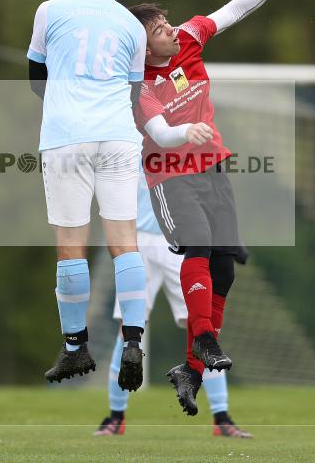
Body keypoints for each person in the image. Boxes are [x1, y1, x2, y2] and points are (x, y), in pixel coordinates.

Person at [129, 0, 315, 415]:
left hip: (212, 167)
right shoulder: (138, 84)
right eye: (159, 30)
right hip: (170, 177)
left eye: (167, 23)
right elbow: (157, 133)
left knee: (225, 269)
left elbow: (233, 9)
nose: (171, 30)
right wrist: (181, 134)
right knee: (198, 247)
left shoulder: (189, 39)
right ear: (144, 48)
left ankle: (191, 369)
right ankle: (206, 340)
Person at [27, 0, 147, 390]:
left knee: (71, 245)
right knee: (124, 242)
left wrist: (64, 101)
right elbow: (133, 91)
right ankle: (133, 338)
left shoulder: (50, 10)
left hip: (66, 136)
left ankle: (76, 347)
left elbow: (35, 77)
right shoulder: (132, 25)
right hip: (118, 135)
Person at [94, 172, 252, 437]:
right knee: (128, 331)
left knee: (206, 332)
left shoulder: (184, 141)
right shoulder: (133, 139)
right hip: (138, 241)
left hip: (182, 244)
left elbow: (210, 190)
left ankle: (221, 417)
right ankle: (115, 417)